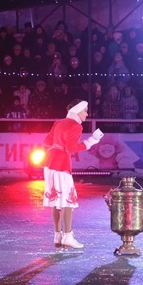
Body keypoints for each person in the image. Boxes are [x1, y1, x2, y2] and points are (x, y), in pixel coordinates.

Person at [42, 99, 104, 251]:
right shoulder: (76, 126)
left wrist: (57, 146)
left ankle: (57, 235)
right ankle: (68, 236)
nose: (87, 114)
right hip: (61, 165)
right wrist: (92, 141)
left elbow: (46, 141)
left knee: (56, 200)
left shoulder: (58, 122)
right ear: (78, 110)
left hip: (49, 163)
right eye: (85, 111)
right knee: (68, 202)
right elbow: (71, 148)